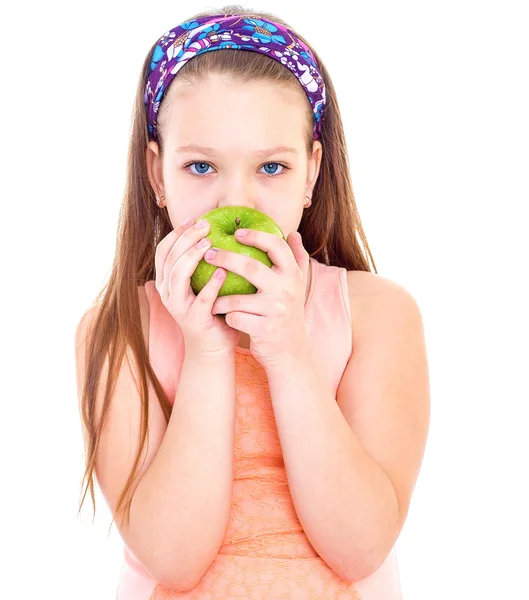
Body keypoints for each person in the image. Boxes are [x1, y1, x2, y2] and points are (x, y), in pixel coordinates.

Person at [74, 5, 430, 599]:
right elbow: (174, 560)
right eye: (200, 166)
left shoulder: (378, 315)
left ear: (311, 173)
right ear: (158, 176)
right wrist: (206, 354)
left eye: (271, 166)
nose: (233, 200)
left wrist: (288, 353)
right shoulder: (118, 331)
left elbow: (361, 545)